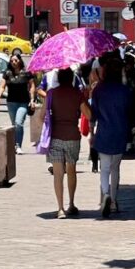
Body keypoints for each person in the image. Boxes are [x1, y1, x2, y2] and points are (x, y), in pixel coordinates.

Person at [84, 58, 132, 216]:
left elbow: (94, 114)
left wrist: (91, 131)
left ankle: (105, 194)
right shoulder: (124, 90)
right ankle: (113, 201)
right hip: (120, 131)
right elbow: (129, 111)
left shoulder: (99, 90)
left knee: (104, 168)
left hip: (103, 131)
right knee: (115, 168)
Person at [47, 67, 89, 219]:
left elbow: (41, 117)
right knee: (71, 170)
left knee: (58, 174)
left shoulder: (51, 93)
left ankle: (60, 208)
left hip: (56, 136)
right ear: (72, 78)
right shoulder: (77, 94)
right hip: (72, 135)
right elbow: (88, 114)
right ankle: (71, 204)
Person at [0, 54, 34, 154]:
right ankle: (14, 144)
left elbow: (32, 86)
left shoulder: (26, 72)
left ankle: (18, 145)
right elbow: (2, 86)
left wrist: (32, 99)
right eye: (12, 61)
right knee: (14, 125)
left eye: (16, 60)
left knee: (18, 123)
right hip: (11, 102)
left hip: (23, 102)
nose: (14, 62)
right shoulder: (7, 73)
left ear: (20, 61)